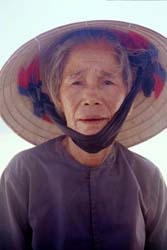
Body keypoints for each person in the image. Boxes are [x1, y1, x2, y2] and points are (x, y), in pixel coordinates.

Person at [0, 20, 167, 250]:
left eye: (107, 81)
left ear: (128, 94)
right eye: (76, 82)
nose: (91, 97)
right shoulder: (23, 173)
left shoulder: (148, 178)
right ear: (57, 97)